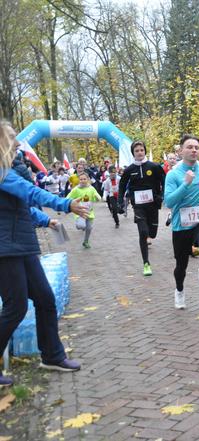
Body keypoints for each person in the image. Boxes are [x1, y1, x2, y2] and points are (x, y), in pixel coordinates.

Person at [0, 120, 88, 386]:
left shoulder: (8, 172)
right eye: (12, 138)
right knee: (15, 307)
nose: (18, 143)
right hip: (6, 250)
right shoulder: (2, 173)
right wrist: (65, 203)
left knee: (45, 299)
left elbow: (22, 207)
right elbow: (30, 192)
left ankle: (51, 356)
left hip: (21, 246)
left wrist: (45, 220)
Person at [164, 134, 199, 309]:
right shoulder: (173, 175)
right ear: (180, 151)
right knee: (181, 265)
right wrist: (185, 184)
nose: (194, 150)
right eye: (189, 147)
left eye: (196, 147)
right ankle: (179, 291)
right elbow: (169, 202)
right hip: (181, 224)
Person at [118, 141, 166, 276]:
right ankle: (146, 263)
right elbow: (122, 185)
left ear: (144, 151)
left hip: (153, 205)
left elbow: (165, 181)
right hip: (138, 206)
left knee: (152, 233)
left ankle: (150, 236)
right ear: (133, 153)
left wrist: (161, 196)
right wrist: (120, 202)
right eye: (136, 151)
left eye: (141, 150)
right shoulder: (129, 170)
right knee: (143, 232)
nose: (139, 152)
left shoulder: (154, 166)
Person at [67, 172, 102, 248]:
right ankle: (78, 225)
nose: (82, 181)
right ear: (79, 180)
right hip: (79, 212)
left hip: (89, 212)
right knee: (81, 226)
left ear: (88, 179)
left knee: (89, 228)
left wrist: (98, 198)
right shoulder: (76, 189)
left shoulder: (91, 188)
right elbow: (68, 198)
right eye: (81, 179)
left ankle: (86, 241)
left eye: (84, 179)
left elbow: (98, 197)